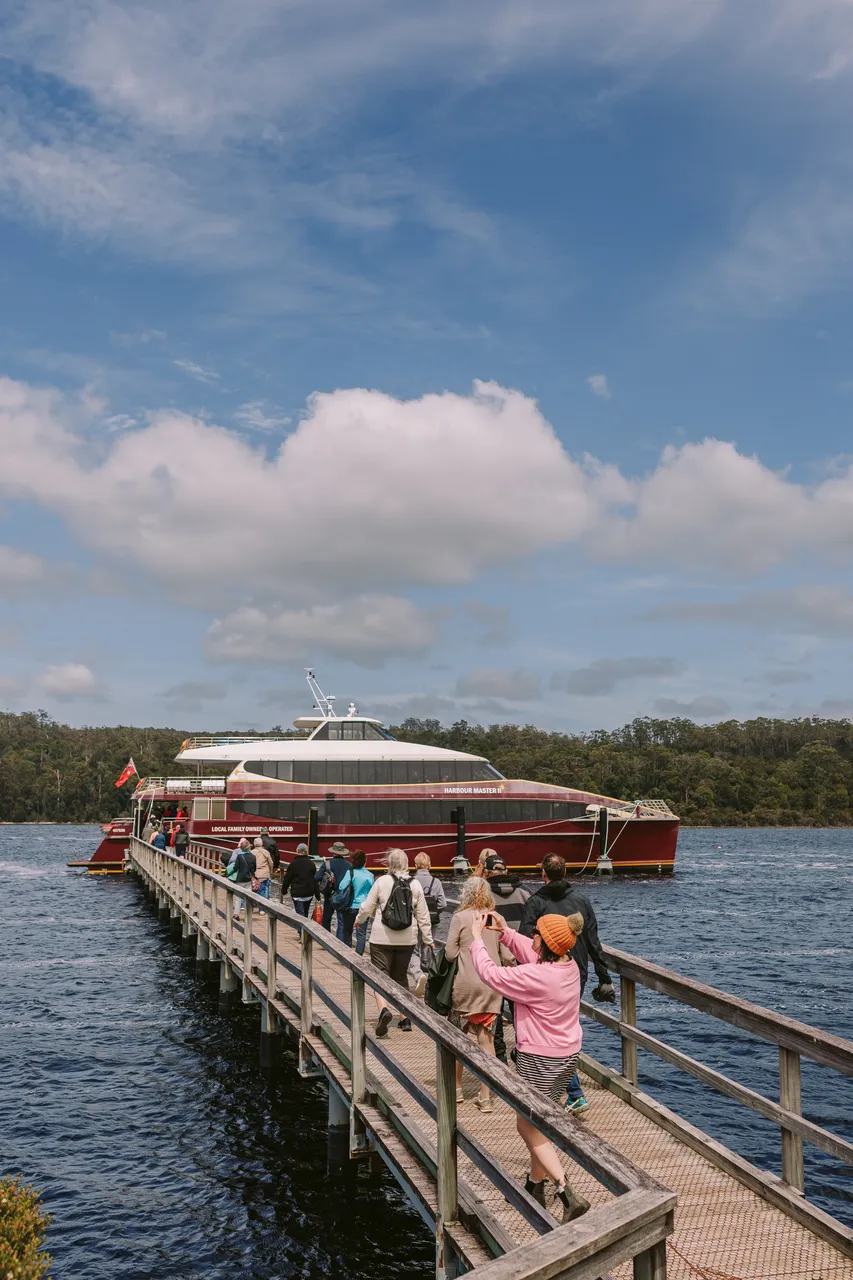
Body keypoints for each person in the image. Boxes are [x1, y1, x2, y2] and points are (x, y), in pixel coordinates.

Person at [469, 909, 589, 1222]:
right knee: (538, 1122)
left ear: (546, 942)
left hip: (540, 1058)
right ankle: (535, 1185)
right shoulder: (568, 965)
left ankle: (566, 1191)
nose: (531, 935)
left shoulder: (537, 977)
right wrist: (505, 932)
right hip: (567, 1055)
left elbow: (492, 975)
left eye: (536, 932)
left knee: (526, 1123)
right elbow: (531, 952)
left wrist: (476, 939)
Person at [520, 854, 615, 1115]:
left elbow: (524, 940)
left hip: (544, 974)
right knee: (566, 1027)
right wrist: (604, 976)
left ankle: (570, 1091)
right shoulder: (581, 900)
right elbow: (594, 942)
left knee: (549, 1031)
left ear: (543, 873)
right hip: (576, 972)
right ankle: (569, 1090)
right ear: (565, 872)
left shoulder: (536, 901)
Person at [444, 877, 512, 1113]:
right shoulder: (494, 917)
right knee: (487, 1042)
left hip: (465, 986)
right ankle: (485, 1097)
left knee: (458, 1039)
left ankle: (457, 1090)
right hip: (491, 985)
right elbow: (508, 957)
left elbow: (451, 954)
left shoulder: (460, 917)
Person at [354, 848, 433, 1037]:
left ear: (389, 863)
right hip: (407, 939)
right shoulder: (414, 885)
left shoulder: (381, 882)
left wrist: (359, 919)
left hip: (381, 937)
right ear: (406, 864)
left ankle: (384, 1010)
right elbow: (423, 915)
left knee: (380, 976)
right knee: (400, 976)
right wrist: (428, 939)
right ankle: (404, 1017)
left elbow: (367, 906)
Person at [484, 854, 529, 1061]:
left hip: (494, 960)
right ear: (507, 871)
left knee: (495, 1009)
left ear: (487, 872)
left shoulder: (484, 896)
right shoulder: (524, 893)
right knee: (521, 1008)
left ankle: (499, 1056)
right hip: (521, 961)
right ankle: (523, 1051)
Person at [408, 852, 447, 995]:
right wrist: (435, 912)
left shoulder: (411, 881)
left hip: (415, 921)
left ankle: (418, 975)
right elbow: (443, 903)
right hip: (432, 921)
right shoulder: (435, 882)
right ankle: (430, 981)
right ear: (429, 864)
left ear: (416, 865)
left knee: (414, 950)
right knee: (428, 947)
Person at [316, 841, 352, 933]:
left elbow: (317, 877)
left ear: (333, 852)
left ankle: (326, 940)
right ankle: (340, 941)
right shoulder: (349, 865)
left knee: (326, 918)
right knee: (341, 921)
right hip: (344, 896)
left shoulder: (327, 864)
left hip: (330, 895)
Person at [282, 842, 317, 917]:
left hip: (297, 893)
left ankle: (301, 929)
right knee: (306, 914)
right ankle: (305, 928)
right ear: (307, 852)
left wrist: (284, 890)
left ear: (297, 851)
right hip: (309, 893)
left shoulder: (293, 864)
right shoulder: (311, 864)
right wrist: (317, 895)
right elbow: (315, 879)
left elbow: (287, 879)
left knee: (300, 916)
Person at [350, 851, 374, 954]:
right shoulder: (370, 875)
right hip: (364, 906)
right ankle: (358, 955)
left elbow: (342, 886)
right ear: (365, 862)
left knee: (347, 930)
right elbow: (373, 891)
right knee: (361, 933)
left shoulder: (351, 873)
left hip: (351, 906)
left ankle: (345, 954)